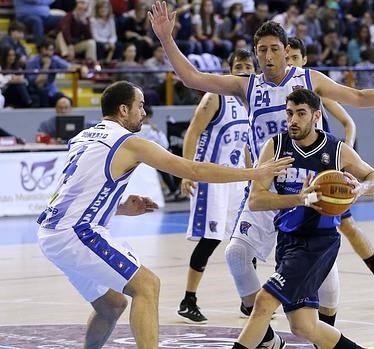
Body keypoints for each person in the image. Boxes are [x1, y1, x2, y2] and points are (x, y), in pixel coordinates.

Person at [149, 4, 374, 325]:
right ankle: (262, 328)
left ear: (285, 50)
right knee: (236, 254)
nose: (267, 56)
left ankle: (324, 330)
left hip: (308, 184)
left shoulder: (308, 78)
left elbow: (357, 96)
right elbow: (191, 76)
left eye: (274, 49)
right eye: (261, 50)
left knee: (328, 292)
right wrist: (167, 39)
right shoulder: (246, 85)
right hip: (266, 187)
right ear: (255, 53)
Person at [35, 80, 293, 349]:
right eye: (140, 106)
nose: (144, 113)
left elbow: (75, 192)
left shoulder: (82, 137)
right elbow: (192, 170)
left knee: (111, 305)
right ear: (124, 110)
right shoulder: (129, 142)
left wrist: (120, 207)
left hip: (50, 232)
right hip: (75, 234)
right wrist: (254, 173)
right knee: (147, 286)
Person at [233, 88, 374, 349]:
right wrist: (300, 199)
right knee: (304, 325)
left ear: (316, 116)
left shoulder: (335, 150)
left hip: (318, 242)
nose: (293, 120)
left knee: (264, 302)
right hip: (288, 240)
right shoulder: (276, 146)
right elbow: (256, 200)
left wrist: (361, 189)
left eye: (301, 114)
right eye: (289, 113)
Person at [286, 37, 374, 312]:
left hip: (324, 167)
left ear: (304, 61)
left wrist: (344, 155)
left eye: (294, 58)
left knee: (348, 227)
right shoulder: (279, 98)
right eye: (286, 57)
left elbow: (349, 123)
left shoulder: (316, 92)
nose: (289, 63)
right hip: (291, 173)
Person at [176, 49, 255, 324]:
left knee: (246, 239)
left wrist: (254, 175)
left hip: (238, 181)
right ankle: (188, 299)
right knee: (210, 240)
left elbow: (245, 146)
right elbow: (193, 132)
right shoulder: (215, 96)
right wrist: (186, 172)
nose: (244, 70)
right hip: (210, 179)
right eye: (239, 66)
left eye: (248, 66)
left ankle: (249, 302)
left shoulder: (252, 102)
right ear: (229, 70)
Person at [137, 104, 185, 202]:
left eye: (149, 117)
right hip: (137, 158)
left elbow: (165, 144)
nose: (147, 120)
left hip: (147, 158)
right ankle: (174, 189)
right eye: (146, 117)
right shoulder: (138, 128)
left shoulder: (151, 129)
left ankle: (174, 189)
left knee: (163, 165)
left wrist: (158, 132)